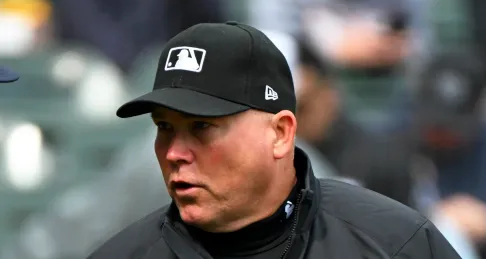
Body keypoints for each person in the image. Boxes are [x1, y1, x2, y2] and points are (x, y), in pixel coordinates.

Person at [87, 22, 461, 259]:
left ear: (280, 133)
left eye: (201, 127)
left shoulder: (393, 244)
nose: (173, 153)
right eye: (164, 127)